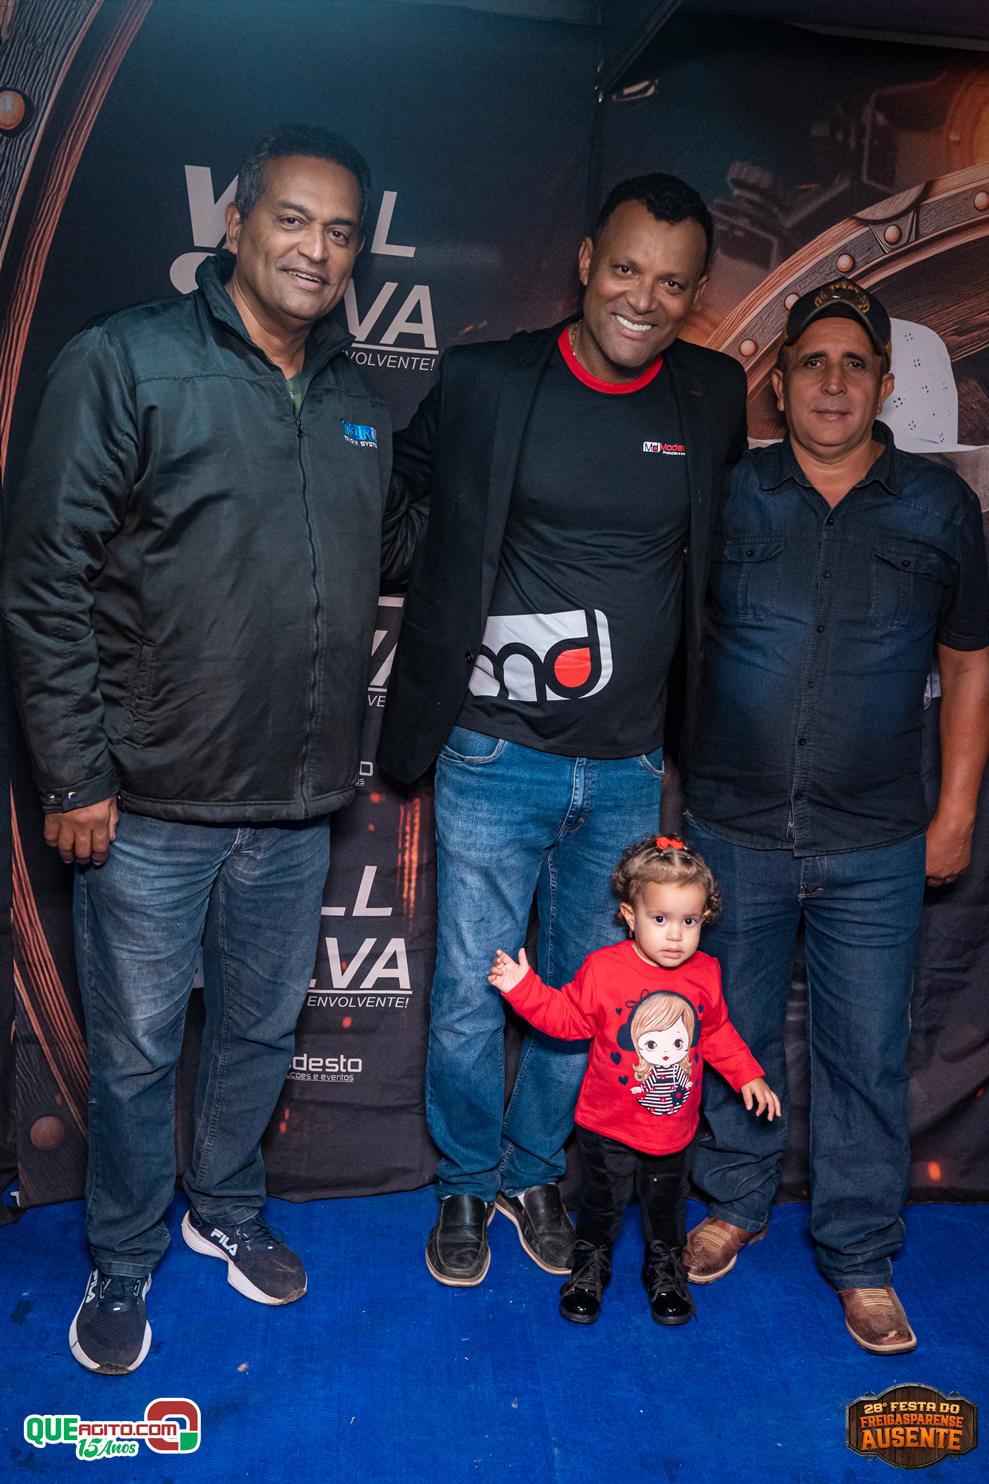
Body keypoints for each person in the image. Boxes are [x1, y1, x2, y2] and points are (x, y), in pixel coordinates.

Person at [1, 123, 418, 1374]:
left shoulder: (354, 400)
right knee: (136, 1052)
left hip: (295, 804)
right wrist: (74, 771)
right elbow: (43, 578)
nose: (316, 249)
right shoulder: (126, 360)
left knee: (255, 1033)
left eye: (340, 232)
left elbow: (374, 557)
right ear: (235, 223)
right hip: (148, 804)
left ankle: (224, 1207)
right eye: (292, 218)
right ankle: (124, 1254)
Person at [377, 173, 748, 1287]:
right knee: (467, 989)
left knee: (589, 997)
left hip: (629, 763)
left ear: (694, 295)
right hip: (493, 751)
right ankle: (462, 1179)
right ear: (586, 261)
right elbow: (391, 504)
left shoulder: (711, 393)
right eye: (626, 268)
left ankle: (532, 1171)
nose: (643, 298)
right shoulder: (490, 381)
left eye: (671, 283)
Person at [682, 279, 989, 1354]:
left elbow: (968, 661)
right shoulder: (729, 493)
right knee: (731, 1035)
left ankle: (859, 1253)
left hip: (875, 837)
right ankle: (732, 1203)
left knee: (864, 1052)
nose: (831, 381)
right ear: (777, 381)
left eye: (853, 363)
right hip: (733, 828)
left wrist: (956, 809)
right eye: (810, 360)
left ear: (884, 383)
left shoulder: (937, 507)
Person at [488, 837, 779, 1325]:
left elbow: (715, 1031)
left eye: (689, 921)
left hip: (674, 1131)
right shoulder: (605, 969)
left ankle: (665, 1271)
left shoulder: (706, 972)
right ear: (630, 914)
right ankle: (589, 1269)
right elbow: (567, 1019)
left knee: (666, 1212)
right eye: (660, 919)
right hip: (607, 1127)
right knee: (601, 1207)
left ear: (705, 917)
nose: (675, 935)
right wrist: (523, 988)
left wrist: (748, 1074)